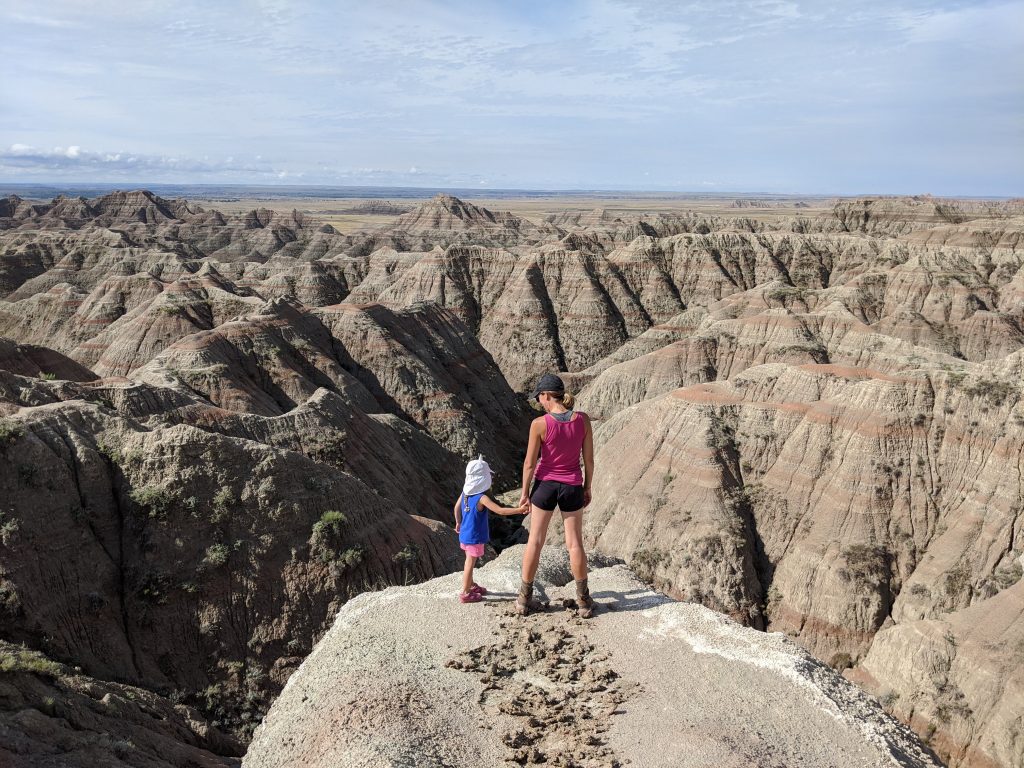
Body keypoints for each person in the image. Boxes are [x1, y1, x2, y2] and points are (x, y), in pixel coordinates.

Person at [517, 373, 596, 618]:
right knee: (575, 544)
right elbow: (589, 460)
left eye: (540, 396)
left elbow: (530, 464)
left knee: (535, 542)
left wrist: (524, 493)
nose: (539, 401)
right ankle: (583, 600)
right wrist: (587, 487)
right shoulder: (582, 420)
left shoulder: (540, 424)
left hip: (545, 486)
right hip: (572, 484)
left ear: (548, 395)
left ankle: (523, 599)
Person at [453, 455, 528, 603]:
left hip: (465, 533)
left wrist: (458, 523)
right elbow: (500, 510)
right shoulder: (481, 498)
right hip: (474, 536)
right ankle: (465, 593)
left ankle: (471, 584)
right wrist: (519, 510)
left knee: (469, 560)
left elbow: (456, 508)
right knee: (470, 562)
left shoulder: (465, 493)